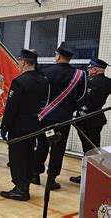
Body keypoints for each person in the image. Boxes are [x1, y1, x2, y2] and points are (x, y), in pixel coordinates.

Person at [33, 42, 87, 190]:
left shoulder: (45, 72)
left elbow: (39, 93)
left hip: (45, 116)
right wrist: (69, 109)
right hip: (64, 119)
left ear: (58, 55)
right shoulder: (80, 75)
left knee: (42, 145)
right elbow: (81, 97)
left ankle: (35, 175)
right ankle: (51, 179)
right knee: (58, 149)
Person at [0, 49, 48, 201]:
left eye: (19, 60)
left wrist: (4, 126)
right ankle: (25, 185)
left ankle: (20, 189)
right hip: (35, 125)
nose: (18, 63)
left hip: (18, 126)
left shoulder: (19, 82)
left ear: (25, 62)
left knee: (17, 158)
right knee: (28, 156)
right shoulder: (44, 80)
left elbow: (12, 107)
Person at [69, 58, 111, 184]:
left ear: (95, 69)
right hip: (97, 118)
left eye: (90, 68)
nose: (88, 71)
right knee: (93, 148)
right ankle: (91, 175)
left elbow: (87, 101)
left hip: (87, 119)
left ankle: (90, 176)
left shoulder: (91, 82)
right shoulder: (108, 82)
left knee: (89, 149)